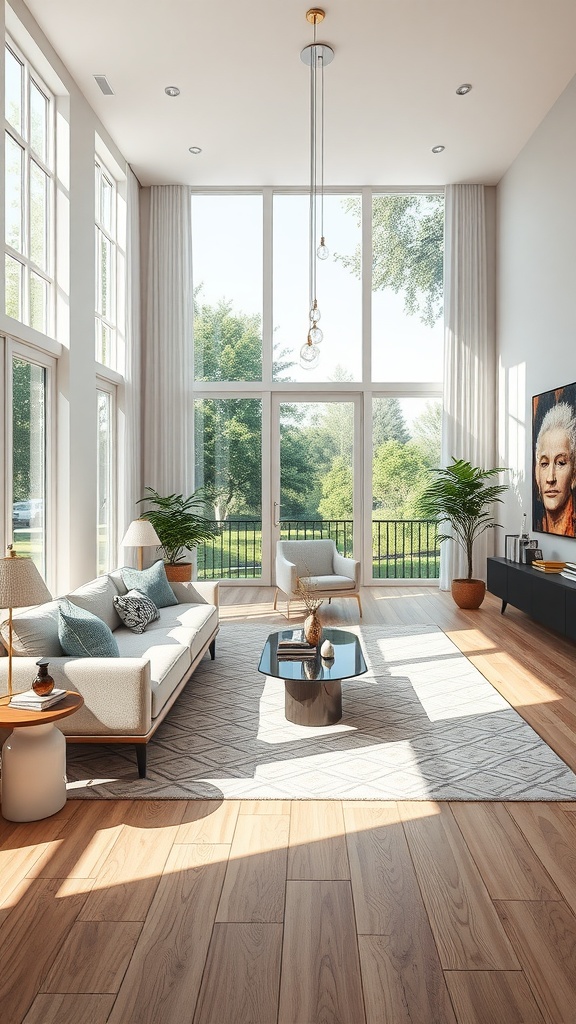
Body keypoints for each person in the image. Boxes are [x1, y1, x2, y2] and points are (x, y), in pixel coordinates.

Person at [534, 401, 576, 536]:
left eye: (561, 463)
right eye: (544, 464)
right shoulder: (537, 524)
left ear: (574, 474)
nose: (550, 478)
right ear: (536, 473)